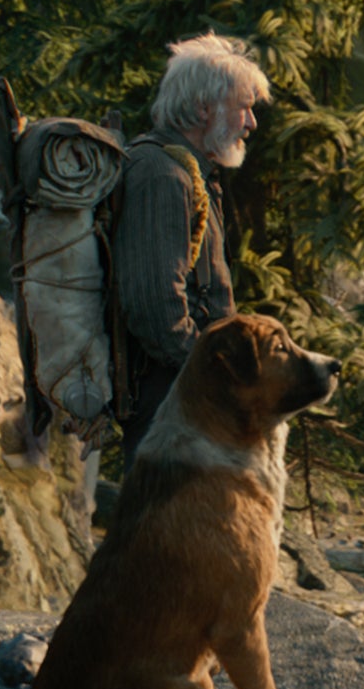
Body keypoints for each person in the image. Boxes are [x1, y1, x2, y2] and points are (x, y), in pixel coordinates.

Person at [114, 32, 270, 466]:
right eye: (245, 107)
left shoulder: (190, 172)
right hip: (171, 398)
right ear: (204, 107)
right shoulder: (163, 175)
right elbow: (154, 307)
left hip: (184, 393)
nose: (251, 123)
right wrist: (210, 375)